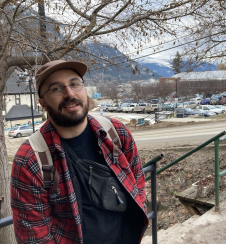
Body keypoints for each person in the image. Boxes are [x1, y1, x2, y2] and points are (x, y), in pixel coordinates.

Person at [11, 60, 147, 244]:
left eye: (75, 83)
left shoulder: (116, 132)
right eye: (56, 88)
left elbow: (137, 181)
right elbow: (34, 237)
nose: (69, 93)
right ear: (42, 103)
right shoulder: (30, 160)